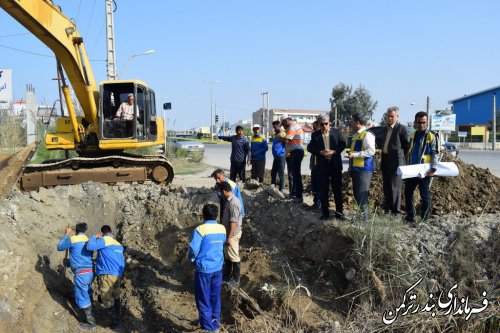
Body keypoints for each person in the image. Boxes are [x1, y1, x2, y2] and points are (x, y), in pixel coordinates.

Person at [188, 203, 226, 333]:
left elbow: (193, 249)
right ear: (216, 215)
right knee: (215, 297)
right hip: (218, 268)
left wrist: (192, 259)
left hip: (204, 269)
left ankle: (208, 328)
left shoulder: (200, 230)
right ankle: (215, 323)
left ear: (203, 215)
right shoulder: (222, 228)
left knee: (203, 298)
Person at [307, 114, 347, 220]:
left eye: (326, 124)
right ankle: (325, 213)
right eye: (322, 124)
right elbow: (310, 148)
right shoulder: (315, 135)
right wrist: (320, 152)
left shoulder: (337, 132)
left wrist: (334, 151)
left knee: (337, 190)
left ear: (329, 123)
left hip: (335, 166)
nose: (324, 126)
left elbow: (343, 144)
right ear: (319, 124)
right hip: (322, 166)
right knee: (323, 191)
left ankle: (339, 213)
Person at [57, 222, 96, 329]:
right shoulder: (88, 240)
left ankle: (91, 323)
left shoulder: (73, 239)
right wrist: (69, 262)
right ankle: (92, 309)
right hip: (91, 271)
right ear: (86, 230)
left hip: (82, 274)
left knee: (81, 295)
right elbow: (83, 256)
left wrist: (66, 235)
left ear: (76, 230)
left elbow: (59, 247)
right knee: (87, 290)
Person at [87, 225, 125, 328]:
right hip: (117, 274)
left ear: (102, 232)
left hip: (108, 273)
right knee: (116, 295)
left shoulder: (105, 240)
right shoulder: (118, 244)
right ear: (111, 231)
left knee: (106, 297)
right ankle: (118, 316)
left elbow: (89, 246)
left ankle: (114, 320)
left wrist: (95, 237)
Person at [404, 112, 438, 223]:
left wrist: (433, 168)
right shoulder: (413, 135)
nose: (421, 124)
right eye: (419, 122)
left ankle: (424, 219)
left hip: (425, 171)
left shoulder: (431, 135)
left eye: (424, 122)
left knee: (425, 195)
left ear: (427, 122)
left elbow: (435, 153)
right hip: (412, 169)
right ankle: (411, 217)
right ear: (415, 122)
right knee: (408, 193)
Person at [380, 106, 410, 215]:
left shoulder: (401, 128)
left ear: (397, 117)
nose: (390, 118)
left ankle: (396, 212)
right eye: (388, 116)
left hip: (397, 162)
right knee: (387, 187)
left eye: (392, 116)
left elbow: (407, 145)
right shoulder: (384, 129)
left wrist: (399, 155)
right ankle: (388, 210)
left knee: (395, 188)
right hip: (385, 161)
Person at [346, 114, 376, 218]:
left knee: (362, 195)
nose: (351, 123)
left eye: (352, 121)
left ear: (357, 122)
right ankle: (362, 216)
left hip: (364, 169)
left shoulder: (367, 134)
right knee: (357, 194)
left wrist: (354, 155)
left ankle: (365, 219)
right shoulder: (357, 134)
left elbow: (371, 151)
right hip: (356, 168)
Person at [218, 181, 243, 286]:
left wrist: (229, 237)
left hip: (232, 234)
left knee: (233, 256)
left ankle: (236, 280)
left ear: (224, 191)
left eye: (220, 193)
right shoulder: (229, 200)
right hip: (229, 234)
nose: (220, 195)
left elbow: (233, 222)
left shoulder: (233, 203)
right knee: (228, 256)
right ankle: (226, 276)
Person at [282, 116, 305, 203]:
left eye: (283, 123)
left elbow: (287, 140)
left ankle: (298, 196)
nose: (283, 125)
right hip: (295, 152)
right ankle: (296, 194)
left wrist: (279, 137)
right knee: (295, 174)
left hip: (296, 152)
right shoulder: (293, 126)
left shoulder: (292, 127)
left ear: (287, 120)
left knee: (296, 175)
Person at [270, 120, 286, 191]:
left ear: (279, 126)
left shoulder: (283, 134)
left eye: (275, 127)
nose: (274, 129)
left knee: (281, 174)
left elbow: (286, 142)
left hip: (281, 156)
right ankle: (273, 187)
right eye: (273, 127)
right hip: (276, 157)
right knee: (273, 173)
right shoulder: (276, 135)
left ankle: (281, 190)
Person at [309, 120, 321, 209]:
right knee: (314, 183)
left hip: (320, 164)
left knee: (318, 182)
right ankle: (316, 201)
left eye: (314, 127)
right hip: (314, 163)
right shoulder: (314, 135)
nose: (313, 129)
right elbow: (310, 147)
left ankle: (319, 202)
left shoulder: (321, 136)